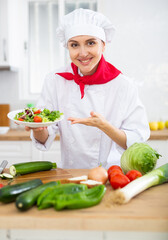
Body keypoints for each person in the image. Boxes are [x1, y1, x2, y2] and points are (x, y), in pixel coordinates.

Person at [27, 8, 150, 169]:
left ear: (103, 45)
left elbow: (136, 141)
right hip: (70, 174)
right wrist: (38, 128)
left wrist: (104, 126)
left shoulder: (123, 85)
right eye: (74, 45)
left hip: (111, 175)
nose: (83, 53)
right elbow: (44, 138)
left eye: (91, 43)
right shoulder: (54, 81)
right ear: (67, 47)